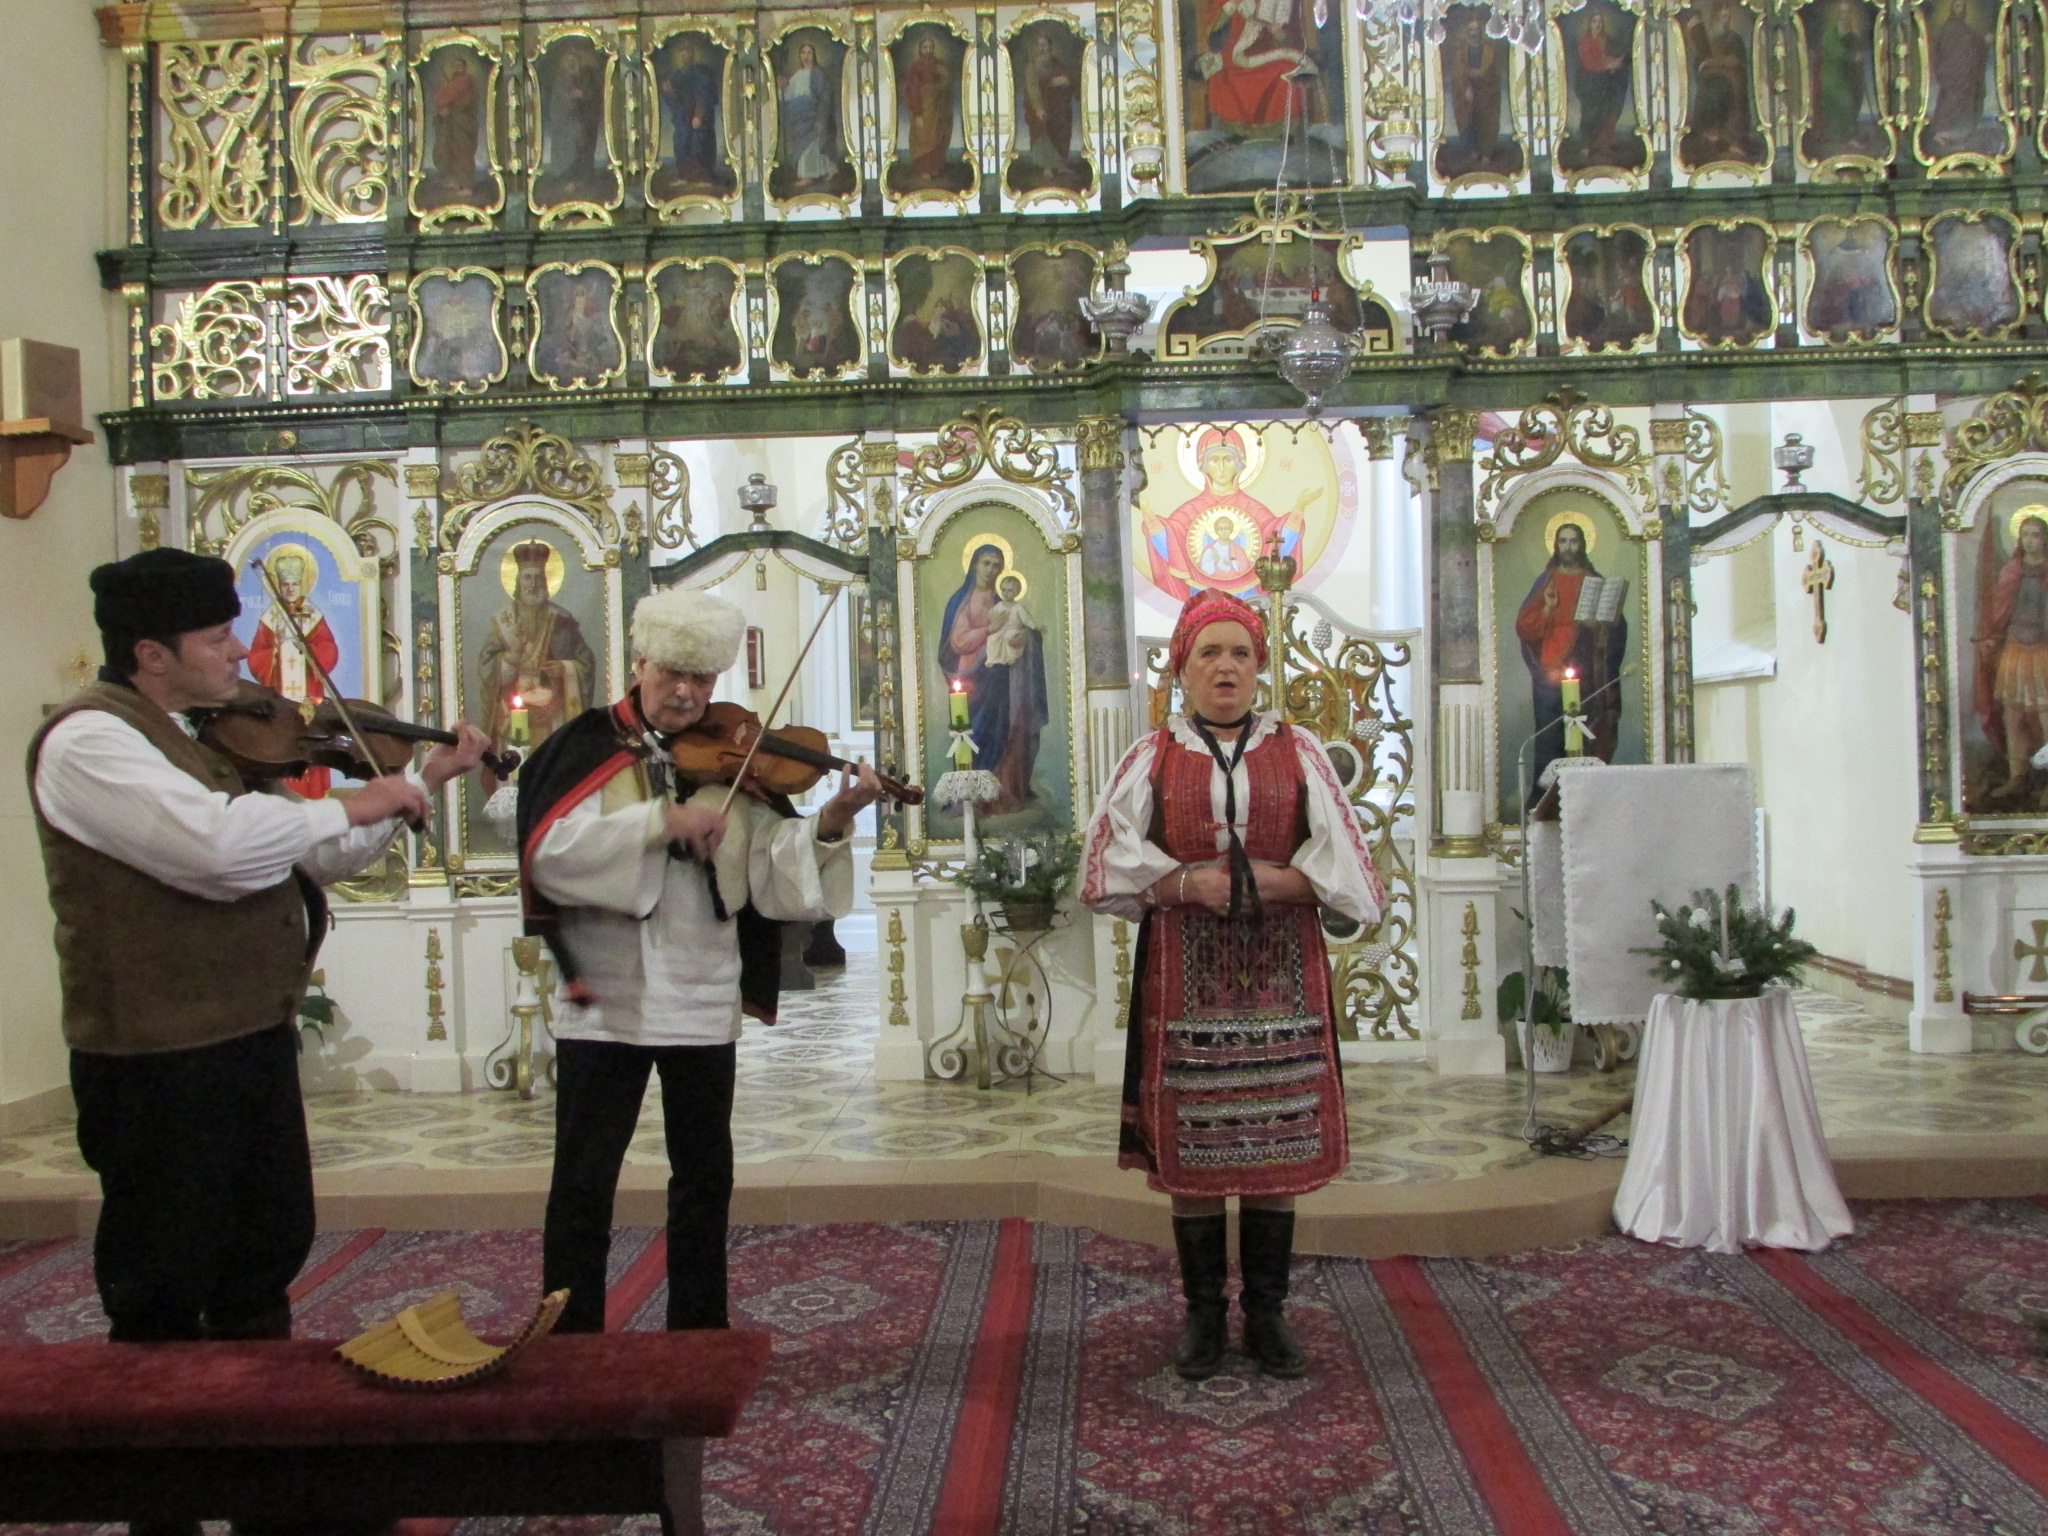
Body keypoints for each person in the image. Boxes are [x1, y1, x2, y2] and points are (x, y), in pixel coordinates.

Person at [29, 548, 487, 1351]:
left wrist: (423, 780)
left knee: (263, 1246)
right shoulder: (89, 742)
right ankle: (157, 1418)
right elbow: (217, 847)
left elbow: (312, 856)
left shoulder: (212, 738)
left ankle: (255, 1406)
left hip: (247, 1034)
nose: (241, 652)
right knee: (165, 1271)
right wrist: (352, 804)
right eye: (217, 638)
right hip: (156, 1055)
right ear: (152, 655)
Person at [519, 587, 884, 1334]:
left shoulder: (739, 758)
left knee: (705, 1178)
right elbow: (549, 855)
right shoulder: (587, 745)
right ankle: (570, 1338)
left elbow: (771, 868)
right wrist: (657, 823)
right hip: (608, 998)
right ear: (640, 664)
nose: (688, 693)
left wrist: (829, 823)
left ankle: (699, 1331)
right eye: (673, 673)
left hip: (702, 991)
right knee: (584, 1181)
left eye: (703, 678)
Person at [1081, 590, 1381, 1380]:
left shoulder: (1300, 750)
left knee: (1278, 1139)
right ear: (1181, 670)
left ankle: (1269, 1313)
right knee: (1197, 1142)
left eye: (1240, 654)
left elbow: (1353, 873)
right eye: (1209, 653)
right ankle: (1205, 1314)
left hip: (1283, 973)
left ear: (1259, 668)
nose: (1226, 668)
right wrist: (1187, 884)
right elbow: (1104, 867)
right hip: (1187, 976)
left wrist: (1282, 883)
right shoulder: (1151, 756)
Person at [1514, 518, 1628, 795]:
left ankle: (1586, 795)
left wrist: (1600, 626)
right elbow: (1525, 626)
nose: (1568, 547)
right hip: (1551, 668)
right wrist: (1547, 609)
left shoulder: (1594, 581)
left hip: (1587, 668)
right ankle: (1546, 798)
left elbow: (1617, 627)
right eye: (1563, 541)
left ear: (1582, 544)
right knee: (1550, 734)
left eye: (1573, 541)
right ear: (1555, 545)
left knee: (1587, 731)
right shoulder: (1547, 581)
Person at [478, 539, 597, 776]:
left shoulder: (562, 620)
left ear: (546, 581)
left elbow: (586, 663)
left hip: (554, 715)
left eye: (538, 578)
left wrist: (564, 669)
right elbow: (486, 667)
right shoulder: (503, 621)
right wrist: (510, 659)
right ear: (518, 581)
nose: (532, 584)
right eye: (527, 577)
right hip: (512, 715)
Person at [245, 547, 340, 798]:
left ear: (302, 585)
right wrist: (274, 652)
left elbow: (329, 649)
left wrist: (309, 650)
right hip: (280, 697)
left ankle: (315, 795)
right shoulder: (271, 618)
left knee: (311, 744)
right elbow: (255, 656)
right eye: (285, 585)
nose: (289, 589)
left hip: (309, 698)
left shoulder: (313, 616)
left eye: (294, 584)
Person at [1975, 513, 2048, 800]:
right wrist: (1992, 637)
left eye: (2035, 534)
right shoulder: (2012, 570)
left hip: (2044, 651)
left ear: (2045, 538)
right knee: (2013, 715)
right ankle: (2016, 775)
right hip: (2015, 649)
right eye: (2025, 534)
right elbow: (2000, 611)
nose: (2030, 540)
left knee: (2045, 715)